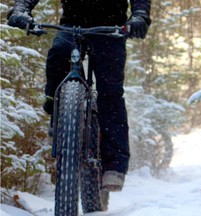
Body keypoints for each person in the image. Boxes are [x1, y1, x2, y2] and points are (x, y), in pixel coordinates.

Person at [7, 0, 151, 192]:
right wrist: (21, 9)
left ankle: (114, 166)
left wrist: (139, 15)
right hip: (71, 25)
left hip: (111, 28)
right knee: (58, 57)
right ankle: (58, 118)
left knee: (110, 94)